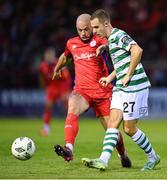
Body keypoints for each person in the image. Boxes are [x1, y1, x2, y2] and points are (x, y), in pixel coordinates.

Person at [82, 9, 160, 171]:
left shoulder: (118, 35)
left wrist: (128, 75)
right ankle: (103, 160)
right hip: (121, 87)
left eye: (96, 28)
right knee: (113, 122)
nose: (94, 32)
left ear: (106, 24)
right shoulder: (111, 40)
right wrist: (110, 78)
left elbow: (137, 51)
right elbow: (122, 63)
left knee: (129, 129)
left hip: (135, 86)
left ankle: (153, 157)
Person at [52, 13, 132, 167]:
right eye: (80, 30)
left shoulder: (99, 38)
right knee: (72, 107)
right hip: (82, 91)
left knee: (112, 130)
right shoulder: (71, 43)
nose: (83, 33)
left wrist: (105, 47)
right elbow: (65, 56)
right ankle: (68, 149)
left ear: (92, 27)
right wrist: (57, 67)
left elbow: (110, 44)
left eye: (87, 29)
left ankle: (122, 154)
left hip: (103, 92)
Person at [39, 47, 72, 136]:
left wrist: (67, 91)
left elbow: (67, 78)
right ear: (45, 56)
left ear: (54, 56)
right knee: (48, 106)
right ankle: (46, 128)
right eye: (47, 56)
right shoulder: (42, 66)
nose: (49, 57)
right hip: (51, 87)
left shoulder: (60, 63)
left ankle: (70, 125)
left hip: (62, 87)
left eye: (50, 56)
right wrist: (45, 88)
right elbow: (42, 78)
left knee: (68, 107)